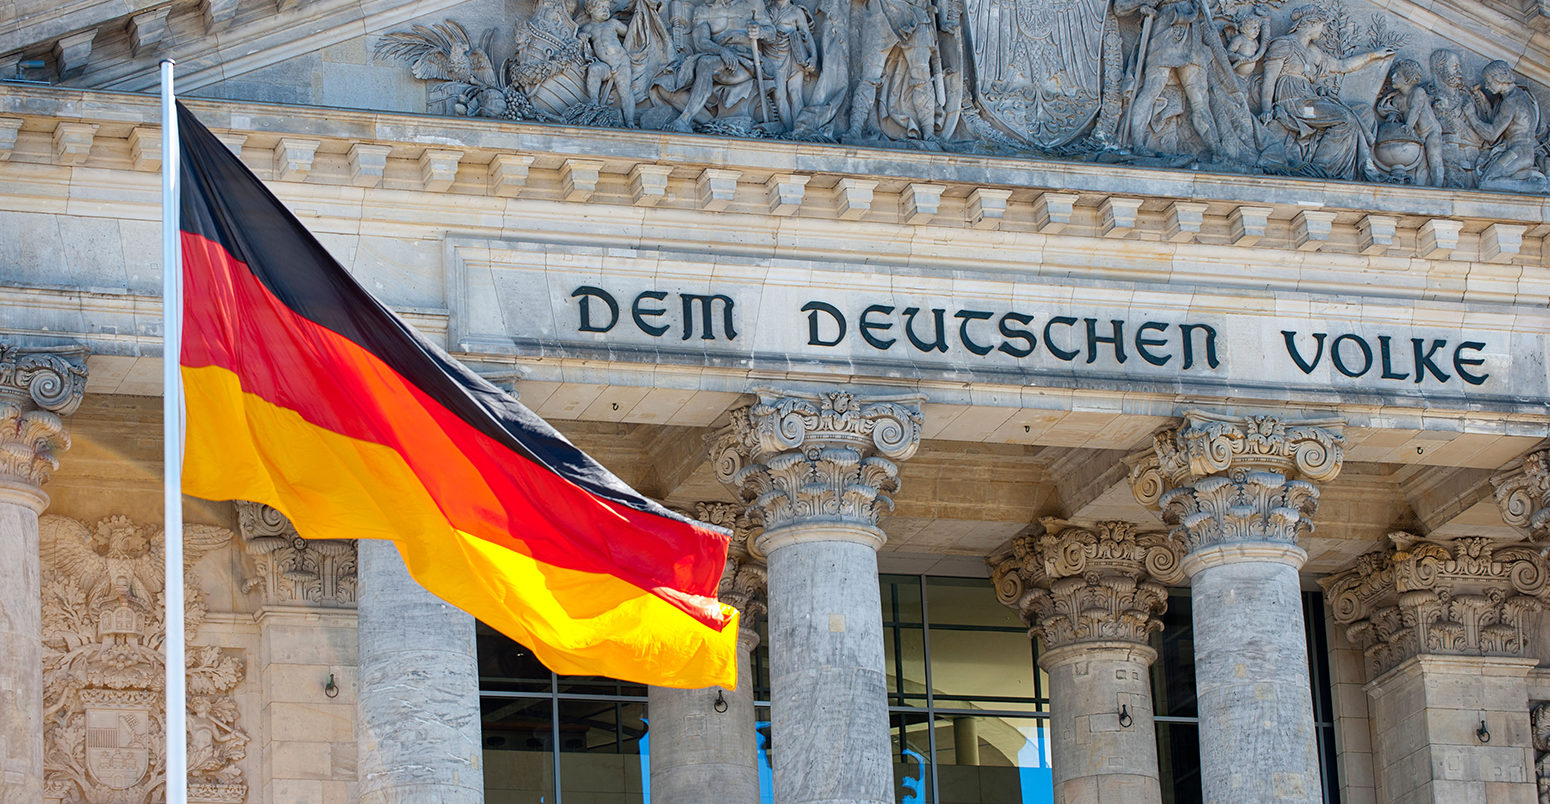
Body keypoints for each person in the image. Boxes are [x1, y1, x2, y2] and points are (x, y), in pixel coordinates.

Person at [1259, 4, 1393, 179]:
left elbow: (1341, 65)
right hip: (1294, 102)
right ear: (1310, 23)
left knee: (1364, 113)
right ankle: (1321, 168)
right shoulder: (1283, 45)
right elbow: (1269, 81)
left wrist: (1374, 55)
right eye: (1321, 25)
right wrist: (1266, 110)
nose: (1323, 30)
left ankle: (1361, 166)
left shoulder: (1313, 51)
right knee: (1345, 118)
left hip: (1310, 99)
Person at [1468, 59, 1549, 191]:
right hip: (1523, 152)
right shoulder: (1521, 95)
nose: (1487, 86)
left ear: (1499, 78)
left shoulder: (1510, 102)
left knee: (1486, 182)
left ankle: (1539, 187)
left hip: (1517, 153)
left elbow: (1491, 134)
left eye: (1488, 82)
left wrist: (1471, 115)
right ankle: (1531, 179)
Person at [1379, 58, 1444, 185]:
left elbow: (1416, 109)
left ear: (1408, 78)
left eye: (1397, 74)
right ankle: (1424, 188)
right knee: (1421, 167)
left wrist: (1408, 126)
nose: (1393, 77)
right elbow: (1396, 112)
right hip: (1417, 135)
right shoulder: (1397, 98)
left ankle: (1439, 186)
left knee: (1434, 159)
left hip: (1431, 131)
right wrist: (1392, 116)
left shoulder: (1418, 92)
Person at [578, 0, 638, 126]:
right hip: (605, 65)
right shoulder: (588, 28)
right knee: (594, 69)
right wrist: (581, 37)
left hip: (621, 63)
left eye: (607, 7)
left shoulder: (612, 23)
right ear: (590, 10)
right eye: (601, 7)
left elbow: (631, 32)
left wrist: (639, 16)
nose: (606, 10)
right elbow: (579, 40)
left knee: (625, 91)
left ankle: (630, 121)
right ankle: (594, 103)